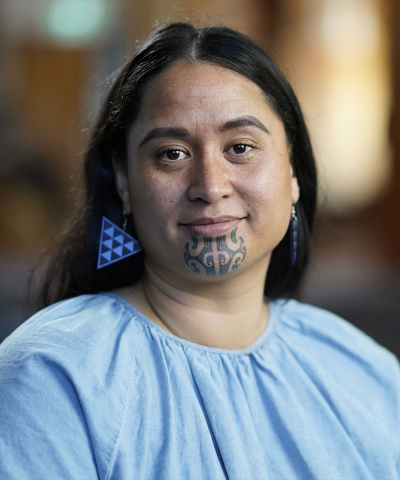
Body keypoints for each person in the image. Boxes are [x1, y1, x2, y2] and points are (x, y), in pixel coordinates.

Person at [0, 22, 399, 480]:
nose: (210, 186)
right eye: (172, 154)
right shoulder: (51, 377)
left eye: (240, 147)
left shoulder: (365, 372)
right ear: (124, 181)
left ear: (292, 170)